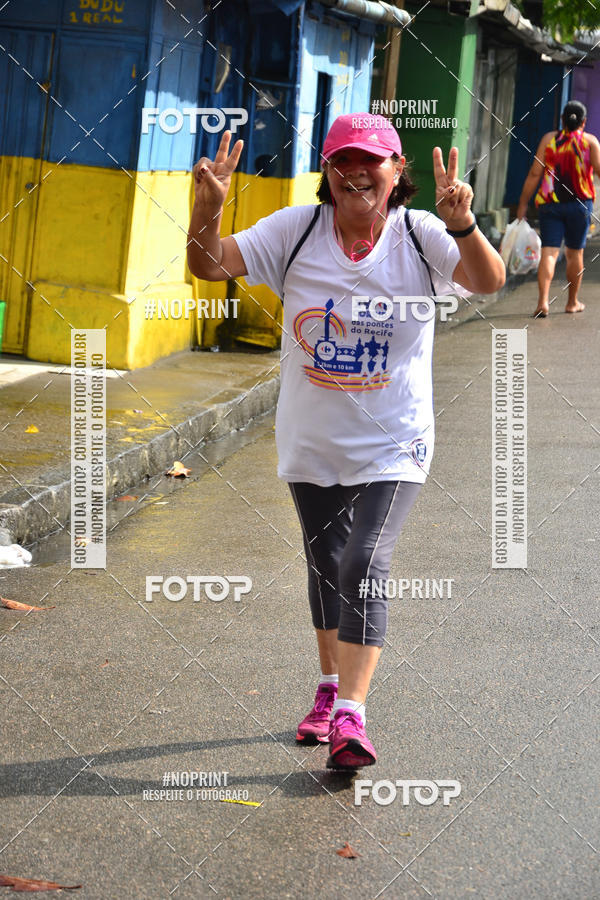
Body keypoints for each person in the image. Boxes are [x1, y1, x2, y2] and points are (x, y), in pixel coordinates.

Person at [187, 114, 505, 770]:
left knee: (364, 561)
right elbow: (209, 265)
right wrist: (204, 213)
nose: (357, 173)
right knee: (326, 565)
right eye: (343, 163)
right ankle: (329, 689)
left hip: (396, 443)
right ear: (328, 177)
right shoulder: (296, 232)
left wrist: (463, 224)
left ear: (396, 175)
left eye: (372, 162)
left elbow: (489, 281)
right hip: (314, 439)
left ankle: (352, 715)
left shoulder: (422, 235)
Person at [517, 100, 600, 317]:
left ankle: (543, 302)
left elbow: (535, 173)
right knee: (575, 254)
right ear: (584, 122)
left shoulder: (549, 139)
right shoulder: (591, 142)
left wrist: (523, 203)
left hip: (550, 204)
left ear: (562, 120)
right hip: (580, 205)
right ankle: (572, 302)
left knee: (550, 252)